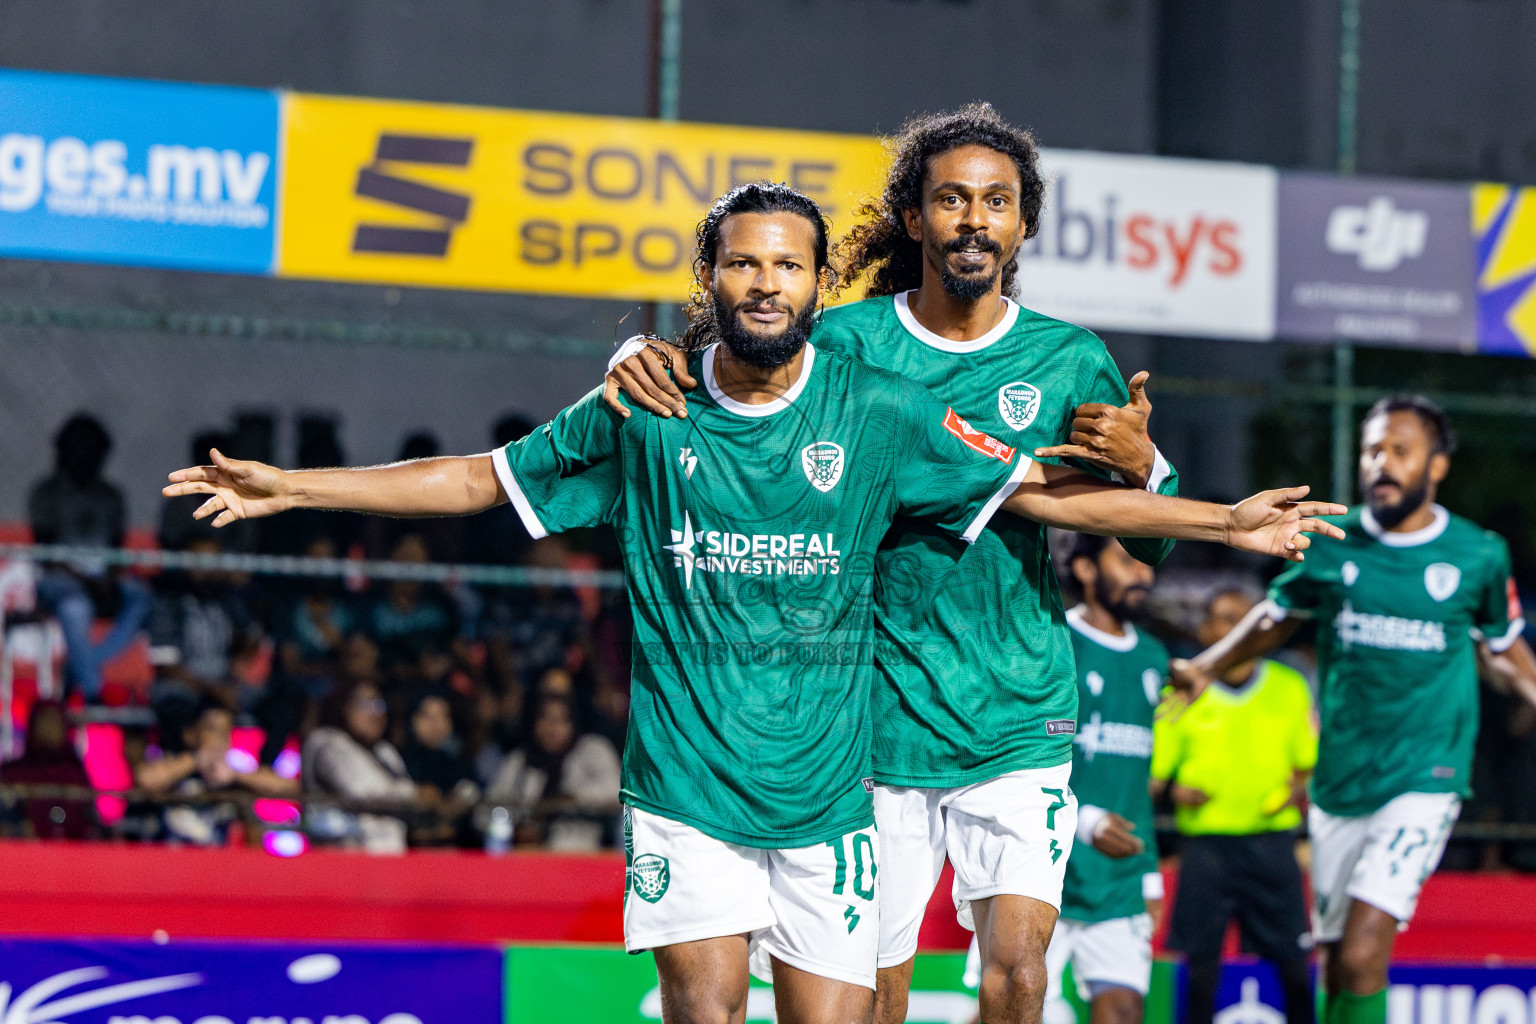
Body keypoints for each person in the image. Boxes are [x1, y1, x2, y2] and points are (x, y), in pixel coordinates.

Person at [164, 181, 1341, 1024]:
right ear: (709, 279)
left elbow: (1046, 502)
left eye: (787, 265)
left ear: (819, 285)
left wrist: (1220, 519)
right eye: (743, 263)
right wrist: (291, 488)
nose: (764, 282)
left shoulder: (879, 412)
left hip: (829, 799)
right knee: (705, 1008)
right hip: (687, 798)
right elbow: (482, 477)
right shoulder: (642, 410)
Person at [604, 104, 1181, 1024]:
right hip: (875, 712)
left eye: (997, 202)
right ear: (914, 219)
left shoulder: (1071, 359)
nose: (974, 220)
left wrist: (1146, 464)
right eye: (951, 199)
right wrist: (638, 352)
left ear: (1023, 224)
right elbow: (735, 384)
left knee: (1021, 974)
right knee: (877, 994)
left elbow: (1144, 536)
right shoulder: (846, 342)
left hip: (1016, 708)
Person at [1171, 395, 1536, 1024]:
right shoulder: (1332, 545)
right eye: (1372, 450)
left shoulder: (1477, 554)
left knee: (1367, 952)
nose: (1381, 463)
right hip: (1341, 782)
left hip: (1425, 777)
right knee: (1340, 964)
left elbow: (1503, 648)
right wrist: (1205, 666)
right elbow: (1275, 616)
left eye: (1400, 450)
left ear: (1437, 465)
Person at [963, 534, 1169, 1024]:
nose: (1143, 574)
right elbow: (1009, 747)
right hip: (1042, 860)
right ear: (1085, 569)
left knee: (1122, 1012)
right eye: (1126, 560)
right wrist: (1085, 820)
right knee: (1008, 1006)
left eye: (1146, 563)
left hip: (1117, 876)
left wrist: (1151, 874)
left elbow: (1136, 776)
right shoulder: (1053, 642)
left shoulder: (1155, 658)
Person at [1154, 587, 1317, 1024]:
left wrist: (1294, 790)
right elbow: (1157, 776)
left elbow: (1307, 763)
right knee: (1202, 968)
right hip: (1206, 846)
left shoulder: (1290, 687)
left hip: (1272, 843)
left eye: (1245, 618)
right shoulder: (1184, 690)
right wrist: (1175, 792)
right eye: (1225, 618)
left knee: (1294, 965)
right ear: (1205, 629)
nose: (1236, 628)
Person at [29, 412, 152, 701]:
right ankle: (92, 691)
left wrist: (107, 580)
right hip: (60, 580)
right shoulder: (47, 493)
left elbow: (115, 549)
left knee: (141, 597)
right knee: (75, 607)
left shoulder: (110, 496)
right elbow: (46, 554)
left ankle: (82, 665)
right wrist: (85, 582)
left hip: (102, 579)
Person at [137, 693, 299, 845]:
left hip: (220, 861)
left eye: (225, 731)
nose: (219, 739)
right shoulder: (174, 762)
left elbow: (290, 789)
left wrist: (236, 775)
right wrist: (196, 760)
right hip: (171, 856)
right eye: (212, 729)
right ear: (191, 734)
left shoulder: (234, 769)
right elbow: (145, 779)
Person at [302, 678, 428, 853]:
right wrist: (415, 794)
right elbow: (362, 791)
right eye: (365, 705)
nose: (376, 713)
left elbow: (404, 787)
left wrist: (411, 794)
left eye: (379, 704)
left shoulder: (384, 750)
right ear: (343, 707)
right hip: (341, 855)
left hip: (390, 855)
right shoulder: (326, 741)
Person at [484, 694, 621, 850]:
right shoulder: (519, 760)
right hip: (526, 855)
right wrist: (515, 827)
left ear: (572, 724)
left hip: (582, 852)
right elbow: (490, 806)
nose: (552, 727)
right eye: (545, 719)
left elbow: (617, 791)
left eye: (560, 720)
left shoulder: (593, 750)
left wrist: (573, 797)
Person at [0, 700, 96, 840]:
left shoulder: (76, 775)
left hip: (71, 854)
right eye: (43, 722)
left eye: (54, 723)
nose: (49, 729)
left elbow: (87, 823)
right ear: (32, 726)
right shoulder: (11, 773)